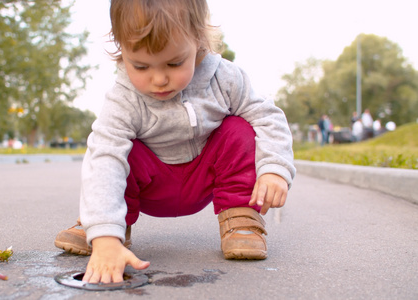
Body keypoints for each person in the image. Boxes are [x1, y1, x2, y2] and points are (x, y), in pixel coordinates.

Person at [54, 0, 295, 284]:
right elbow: (104, 157)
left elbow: (268, 116)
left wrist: (275, 168)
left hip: (205, 176)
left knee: (238, 128)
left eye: (174, 63)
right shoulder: (123, 98)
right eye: (141, 66)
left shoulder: (225, 78)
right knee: (118, 152)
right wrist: (105, 236)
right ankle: (102, 226)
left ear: (198, 41)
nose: (159, 79)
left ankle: (241, 220)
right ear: (121, 49)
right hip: (151, 184)